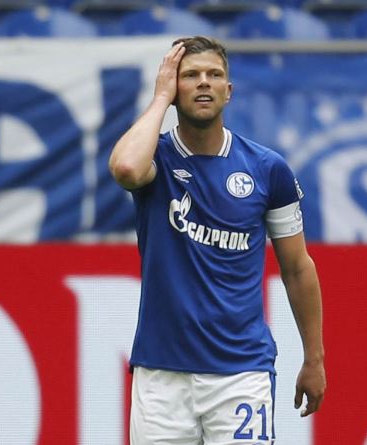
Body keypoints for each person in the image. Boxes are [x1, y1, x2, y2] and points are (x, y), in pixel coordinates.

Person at [109, 36, 325, 445]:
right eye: (191, 76)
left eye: (214, 74)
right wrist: (159, 99)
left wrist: (314, 358)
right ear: (175, 89)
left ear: (229, 90)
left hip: (241, 372)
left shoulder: (267, 169)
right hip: (162, 373)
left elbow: (298, 268)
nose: (204, 82)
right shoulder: (157, 159)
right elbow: (126, 169)